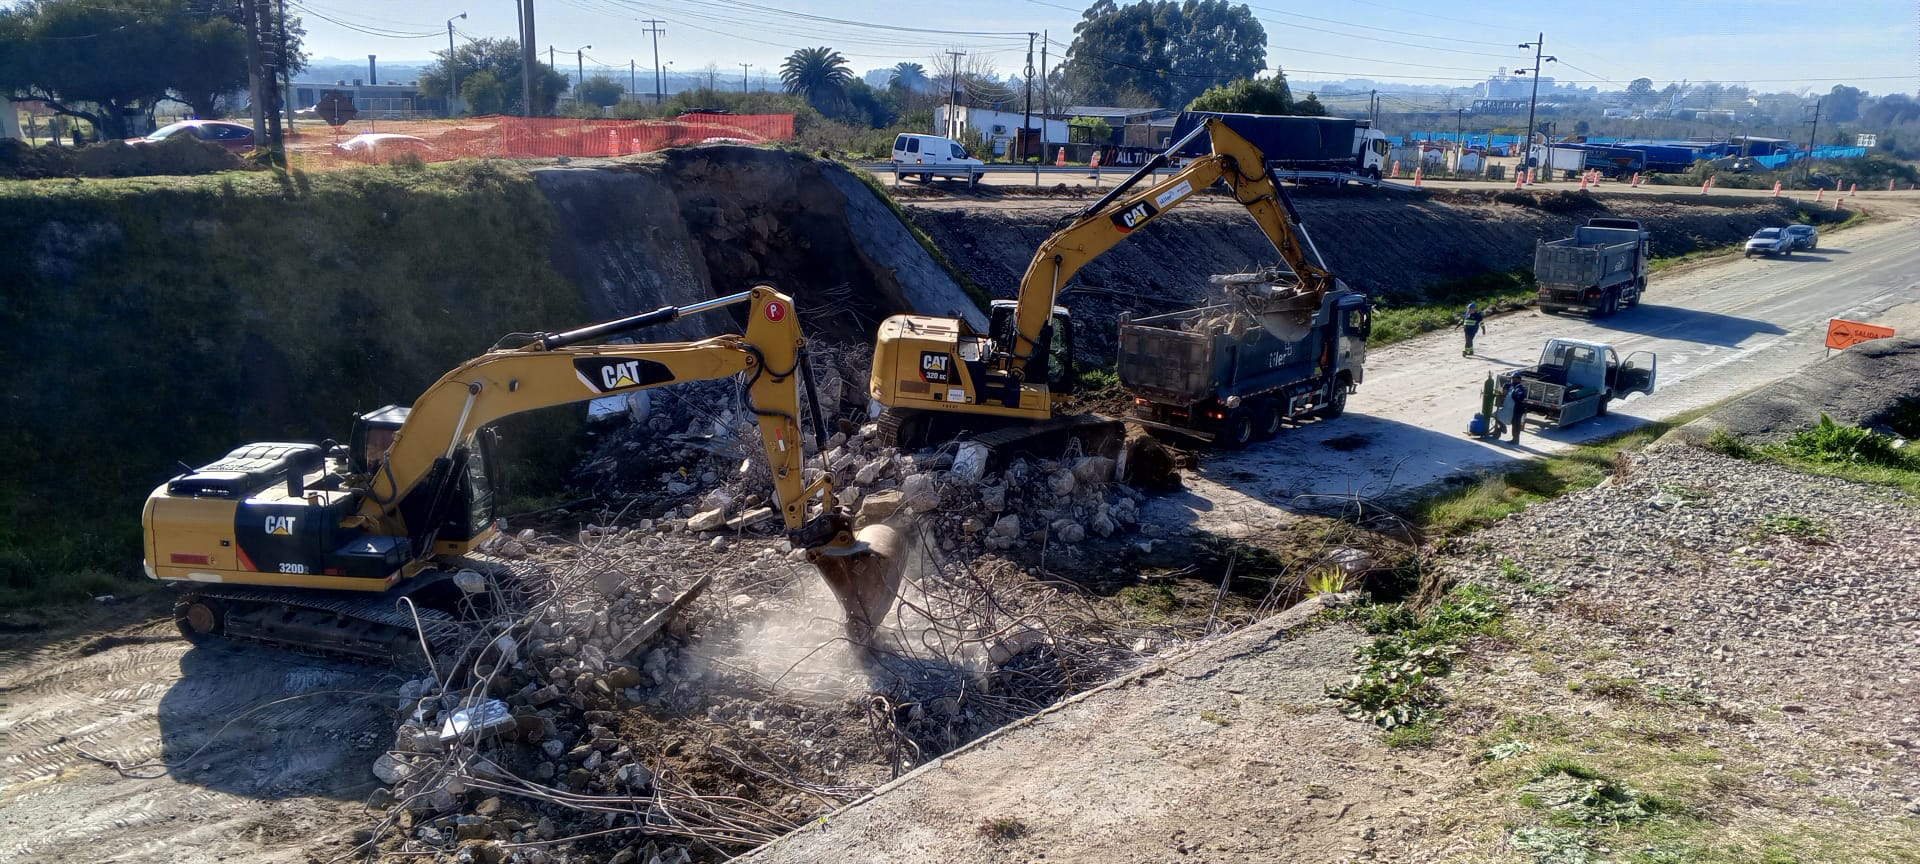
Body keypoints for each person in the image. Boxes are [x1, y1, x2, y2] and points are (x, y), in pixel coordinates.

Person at [1503, 374, 1528, 444]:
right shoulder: (1512, 386)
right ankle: (1514, 439)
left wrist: (1514, 396)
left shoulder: (1519, 388)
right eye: (1512, 378)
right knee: (1514, 423)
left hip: (1518, 409)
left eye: (1515, 379)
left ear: (1519, 380)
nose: (1513, 380)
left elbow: (1520, 397)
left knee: (1516, 424)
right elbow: (1506, 387)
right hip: (1513, 408)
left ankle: (1515, 440)